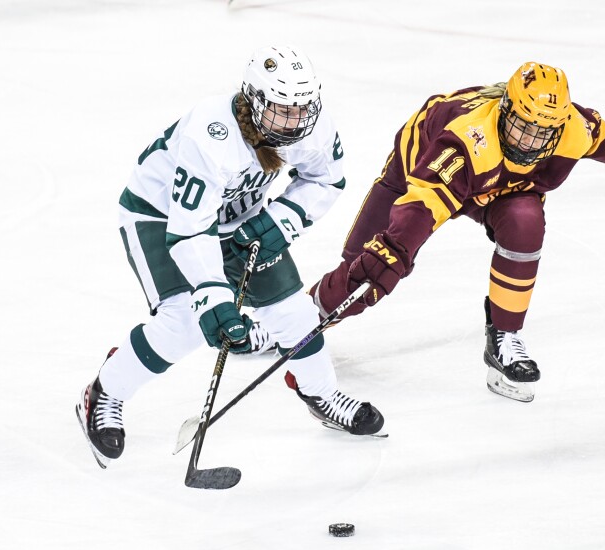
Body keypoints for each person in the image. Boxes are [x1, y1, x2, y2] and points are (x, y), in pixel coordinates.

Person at [76, 45, 385, 469]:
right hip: (161, 216)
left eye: (302, 109)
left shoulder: (309, 125)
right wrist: (214, 295)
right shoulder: (212, 134)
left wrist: (280, 220)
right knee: (184, 321)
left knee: (294, 315)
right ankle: (105, 391)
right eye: (282, 110)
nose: (296, 121)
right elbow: (190, 230)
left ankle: (321, 391)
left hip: (240, 216)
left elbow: (327, 179)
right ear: (254, 101)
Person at [310, 61, 605, 403]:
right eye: (522, 126)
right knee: (368, 267)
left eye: (541, 133)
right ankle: (305, 315)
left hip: (502, 189)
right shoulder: (466, 141)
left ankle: (504, 337)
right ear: (504, 110)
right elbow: (422, 203)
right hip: (422, 171)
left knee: (525, 221)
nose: (528, 142)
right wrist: (395, 251)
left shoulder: (573, 129)